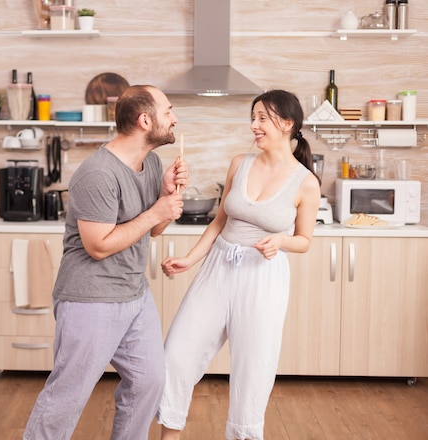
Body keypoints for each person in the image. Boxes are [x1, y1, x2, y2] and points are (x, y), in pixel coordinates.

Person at [23, 85, 189, 440]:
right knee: (68, 395)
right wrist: (157, 211)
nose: (174, 118)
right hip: (90, 298)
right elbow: (98, 246)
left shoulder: (152, 163)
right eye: (168, 111)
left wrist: (167, 198)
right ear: (146, 120)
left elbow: (154, 230)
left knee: (149, 382)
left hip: (134, 294)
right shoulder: (97, 173)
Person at [156, 89, 321, 440]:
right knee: (176, 356)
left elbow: (304, 240)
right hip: (218, 269)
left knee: (252, 372)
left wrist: (281, 241)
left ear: (287, 123)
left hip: (263, 278)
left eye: (263, 118)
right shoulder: (239, 163)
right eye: (253, 117)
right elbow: (219, 222)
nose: (254, 126)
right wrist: (189, 258)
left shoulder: (306, 183)